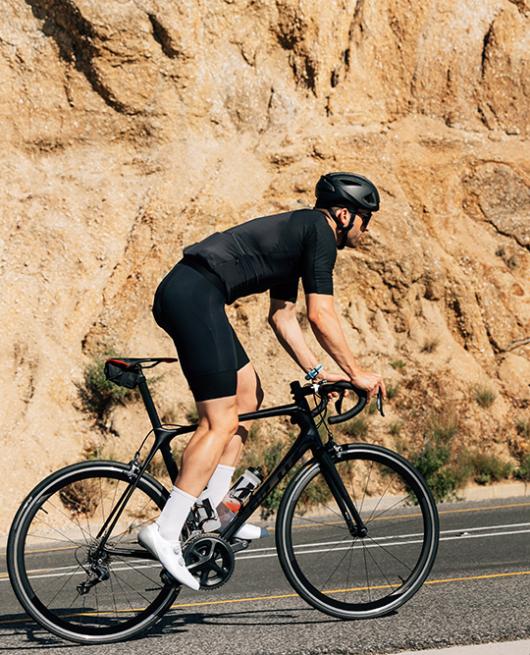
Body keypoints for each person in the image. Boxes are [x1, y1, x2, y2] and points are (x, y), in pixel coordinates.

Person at [138, 172, 386, 590]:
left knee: (249, 392)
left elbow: (283, 316)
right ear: (344, 214)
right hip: (195, 295)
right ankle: (165, 530)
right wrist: (357, 372)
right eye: (366, 219)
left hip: (193, 292)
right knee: (218, 422)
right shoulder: (320, 235)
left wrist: (316, 371)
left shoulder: (301, 235)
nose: (367, 229)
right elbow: (321, 316)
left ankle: (213, 511)